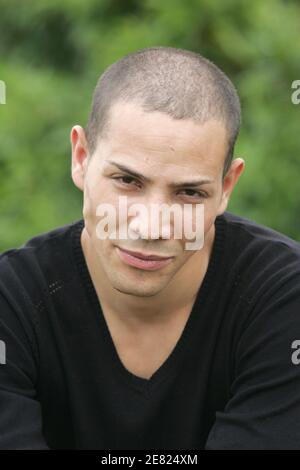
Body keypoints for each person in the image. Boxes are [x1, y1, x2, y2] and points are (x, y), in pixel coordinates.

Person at [0, 46, 300, 450]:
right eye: (127, 181)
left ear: (227, 186)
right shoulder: (12, 301)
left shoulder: (283, 297)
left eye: (189, 192)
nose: (151, 225)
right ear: (81, 158)